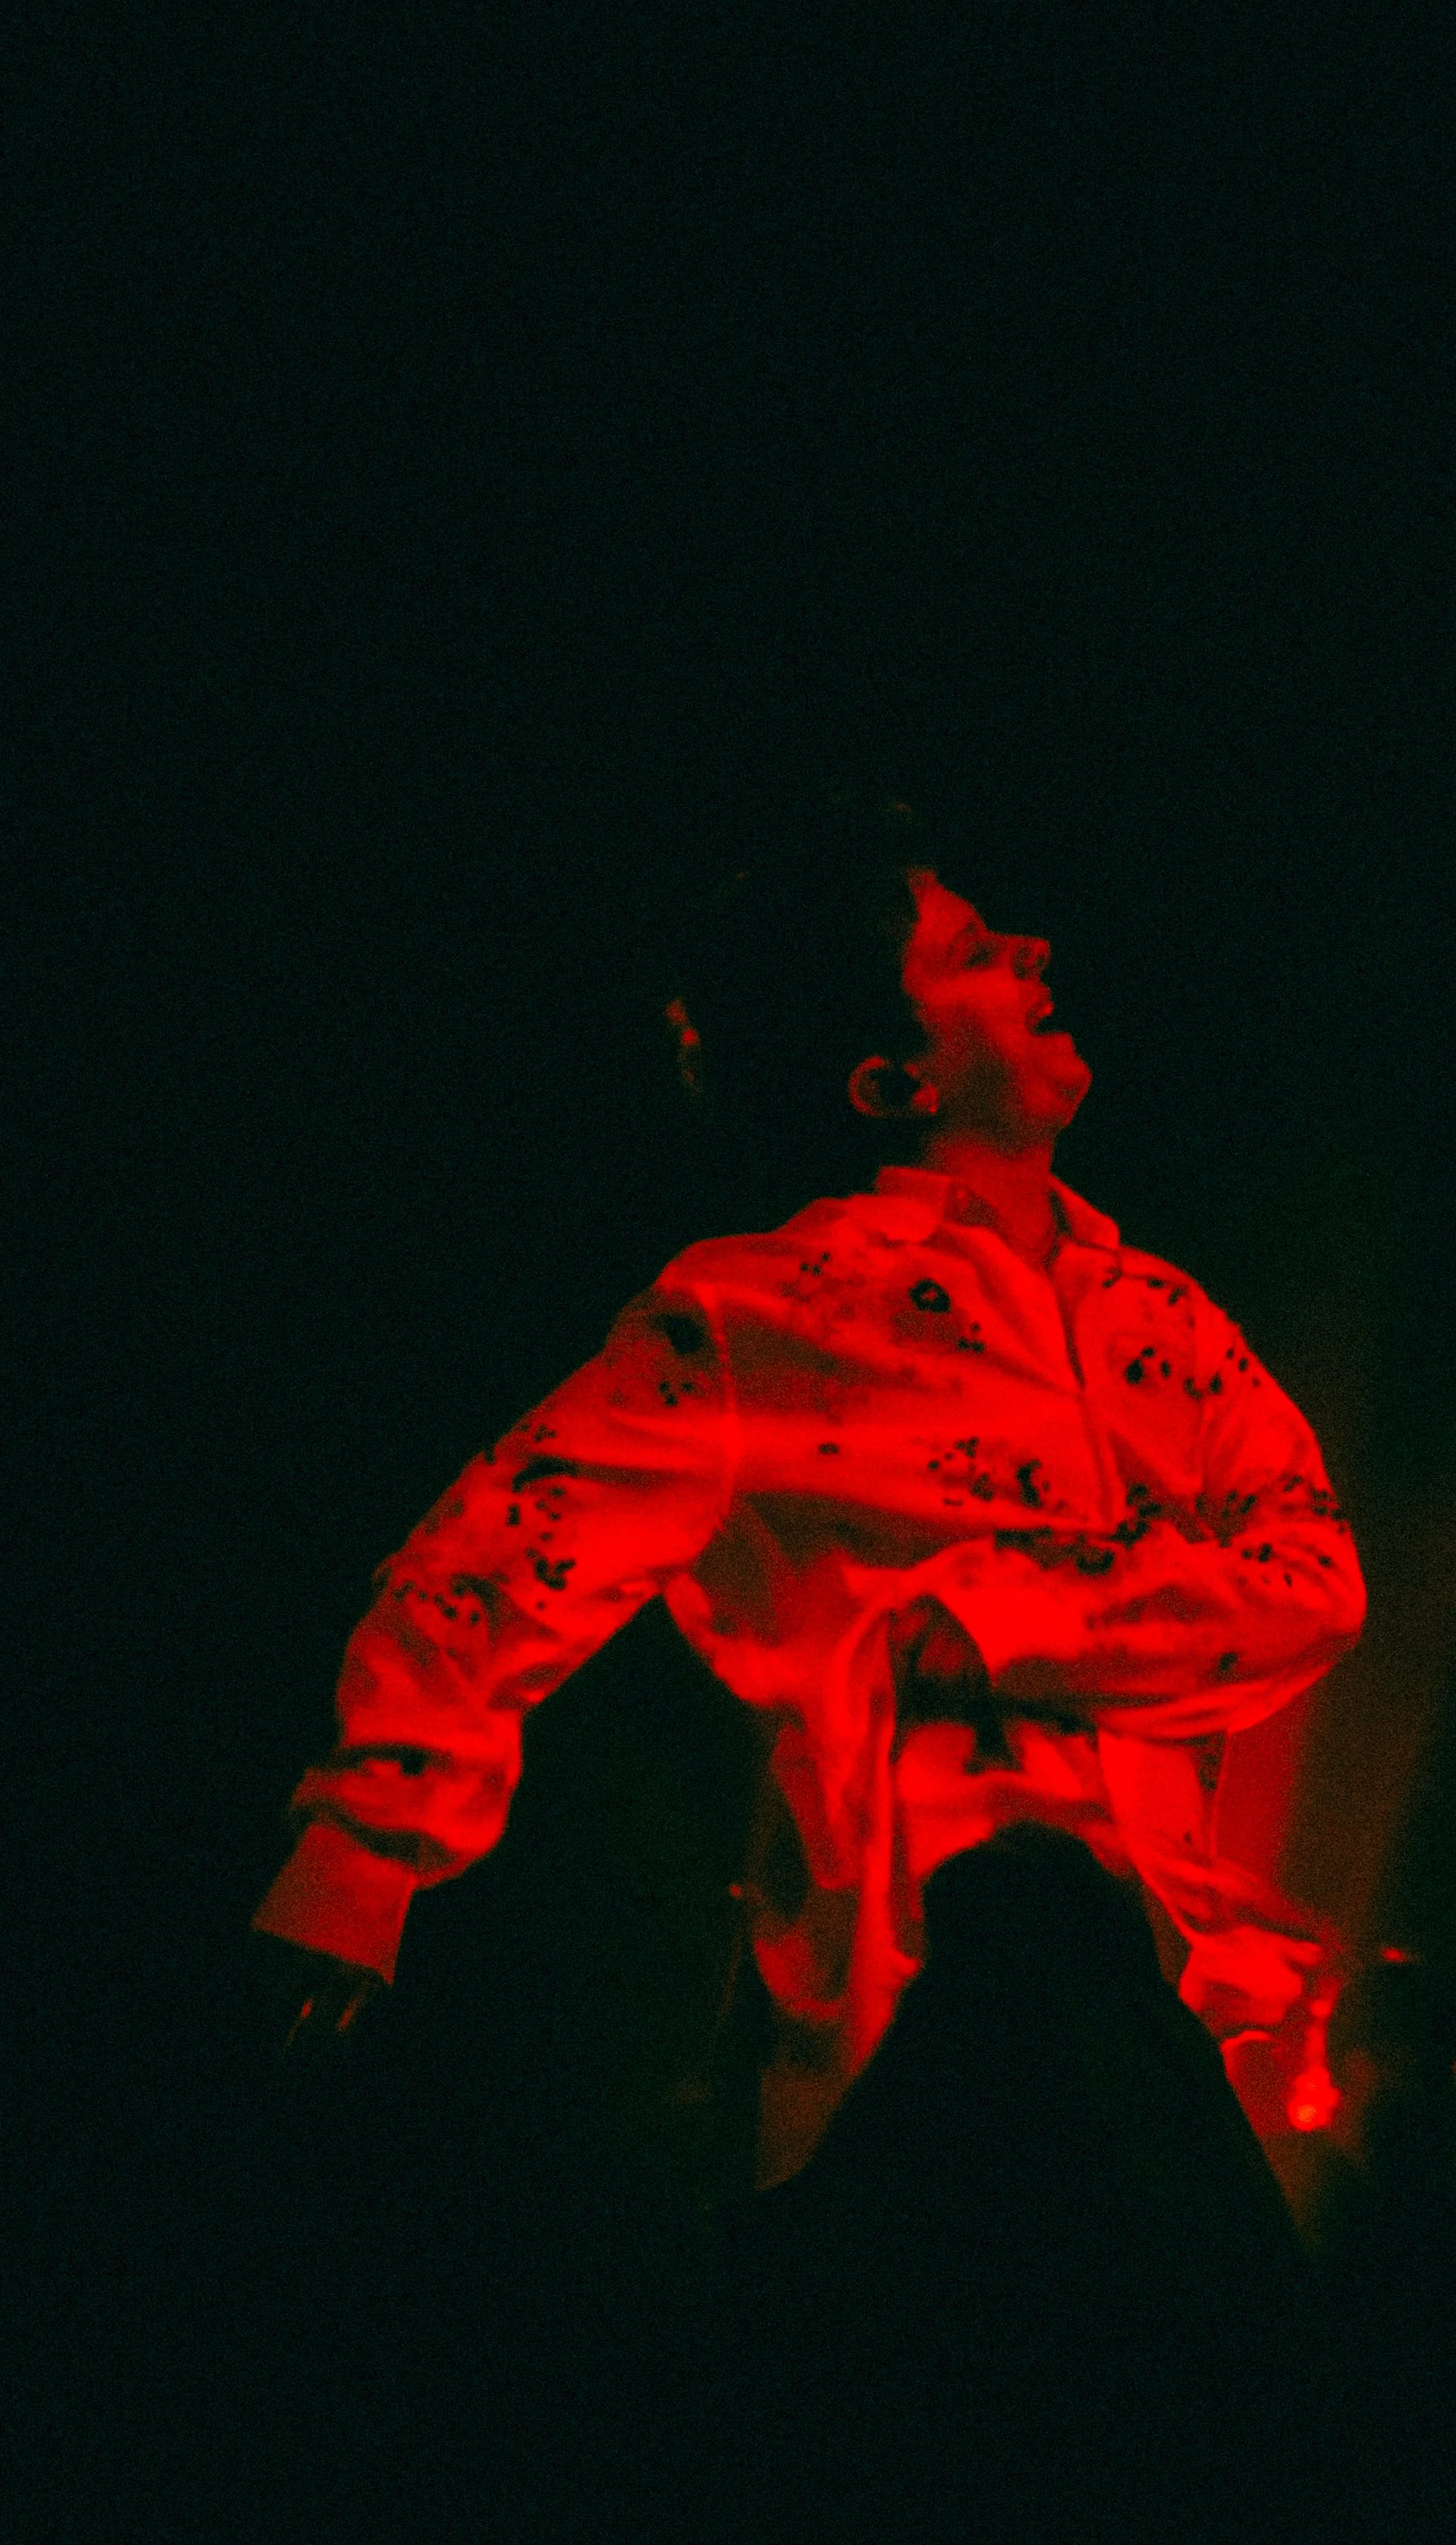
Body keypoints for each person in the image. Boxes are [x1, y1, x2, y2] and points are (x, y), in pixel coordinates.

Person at [250, 800, 1367, 2192]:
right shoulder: (766, 1307)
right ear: (891, 1082)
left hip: (1144, 1990)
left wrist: (983, 1621)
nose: (1031, 949)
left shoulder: (1168, 1319)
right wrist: (354, 1865)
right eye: (971, 951)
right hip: (899, 2008)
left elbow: (1317, 1580)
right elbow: (500, 1555)